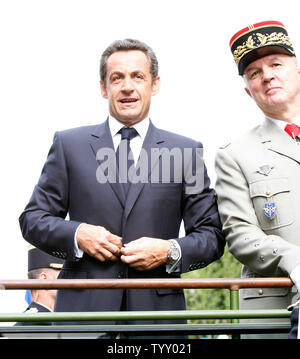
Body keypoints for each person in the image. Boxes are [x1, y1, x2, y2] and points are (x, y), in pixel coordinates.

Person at [19, 39, 225, 326]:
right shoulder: (69, 145)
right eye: (117, 78)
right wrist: (78, 234)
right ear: (104, 87)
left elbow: (212, 236)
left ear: (155, 84)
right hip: (83, 317)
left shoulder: (186, 152)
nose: (127, 86)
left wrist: (168, 251)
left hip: (156, 318)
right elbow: (32, 219)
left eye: (137, 76)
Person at [215, 20, 300, 338]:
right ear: (248, 91)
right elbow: (240, 234)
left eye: (276, 64)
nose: (267, 75)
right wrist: (295, 262)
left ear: (297, 71)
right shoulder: (234, 154)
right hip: (280, 313)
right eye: (254, 72)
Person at [15, 245, 64, 326]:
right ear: (44, 279)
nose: (67, 278)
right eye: (62, 273)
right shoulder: (35, 321)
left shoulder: (34, 319)